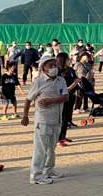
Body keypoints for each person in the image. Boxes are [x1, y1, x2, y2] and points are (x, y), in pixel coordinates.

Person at [21, 56, 69, 185]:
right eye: (50, 65)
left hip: (57, 119)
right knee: (40, 149)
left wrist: (51, 100)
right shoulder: (38, 82)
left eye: (55, 65)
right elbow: (28, 99)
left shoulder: (61, 80)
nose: (54, 68)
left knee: (51, 148)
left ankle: (49, 170)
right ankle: (36, 176)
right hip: (43, 120)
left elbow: (65, 97)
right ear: (43, 68)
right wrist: (25, 116)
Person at [55, 52, 81, 147]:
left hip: (70, 96)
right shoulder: (56, 71)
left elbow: (76, 79)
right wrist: (66, 89)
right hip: (61, 97)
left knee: (67, 118)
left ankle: (63, 136)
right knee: (61, 118)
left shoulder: (70, 69)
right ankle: (58, 139)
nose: (69, 60)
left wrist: (71, 86)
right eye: (67, 59)